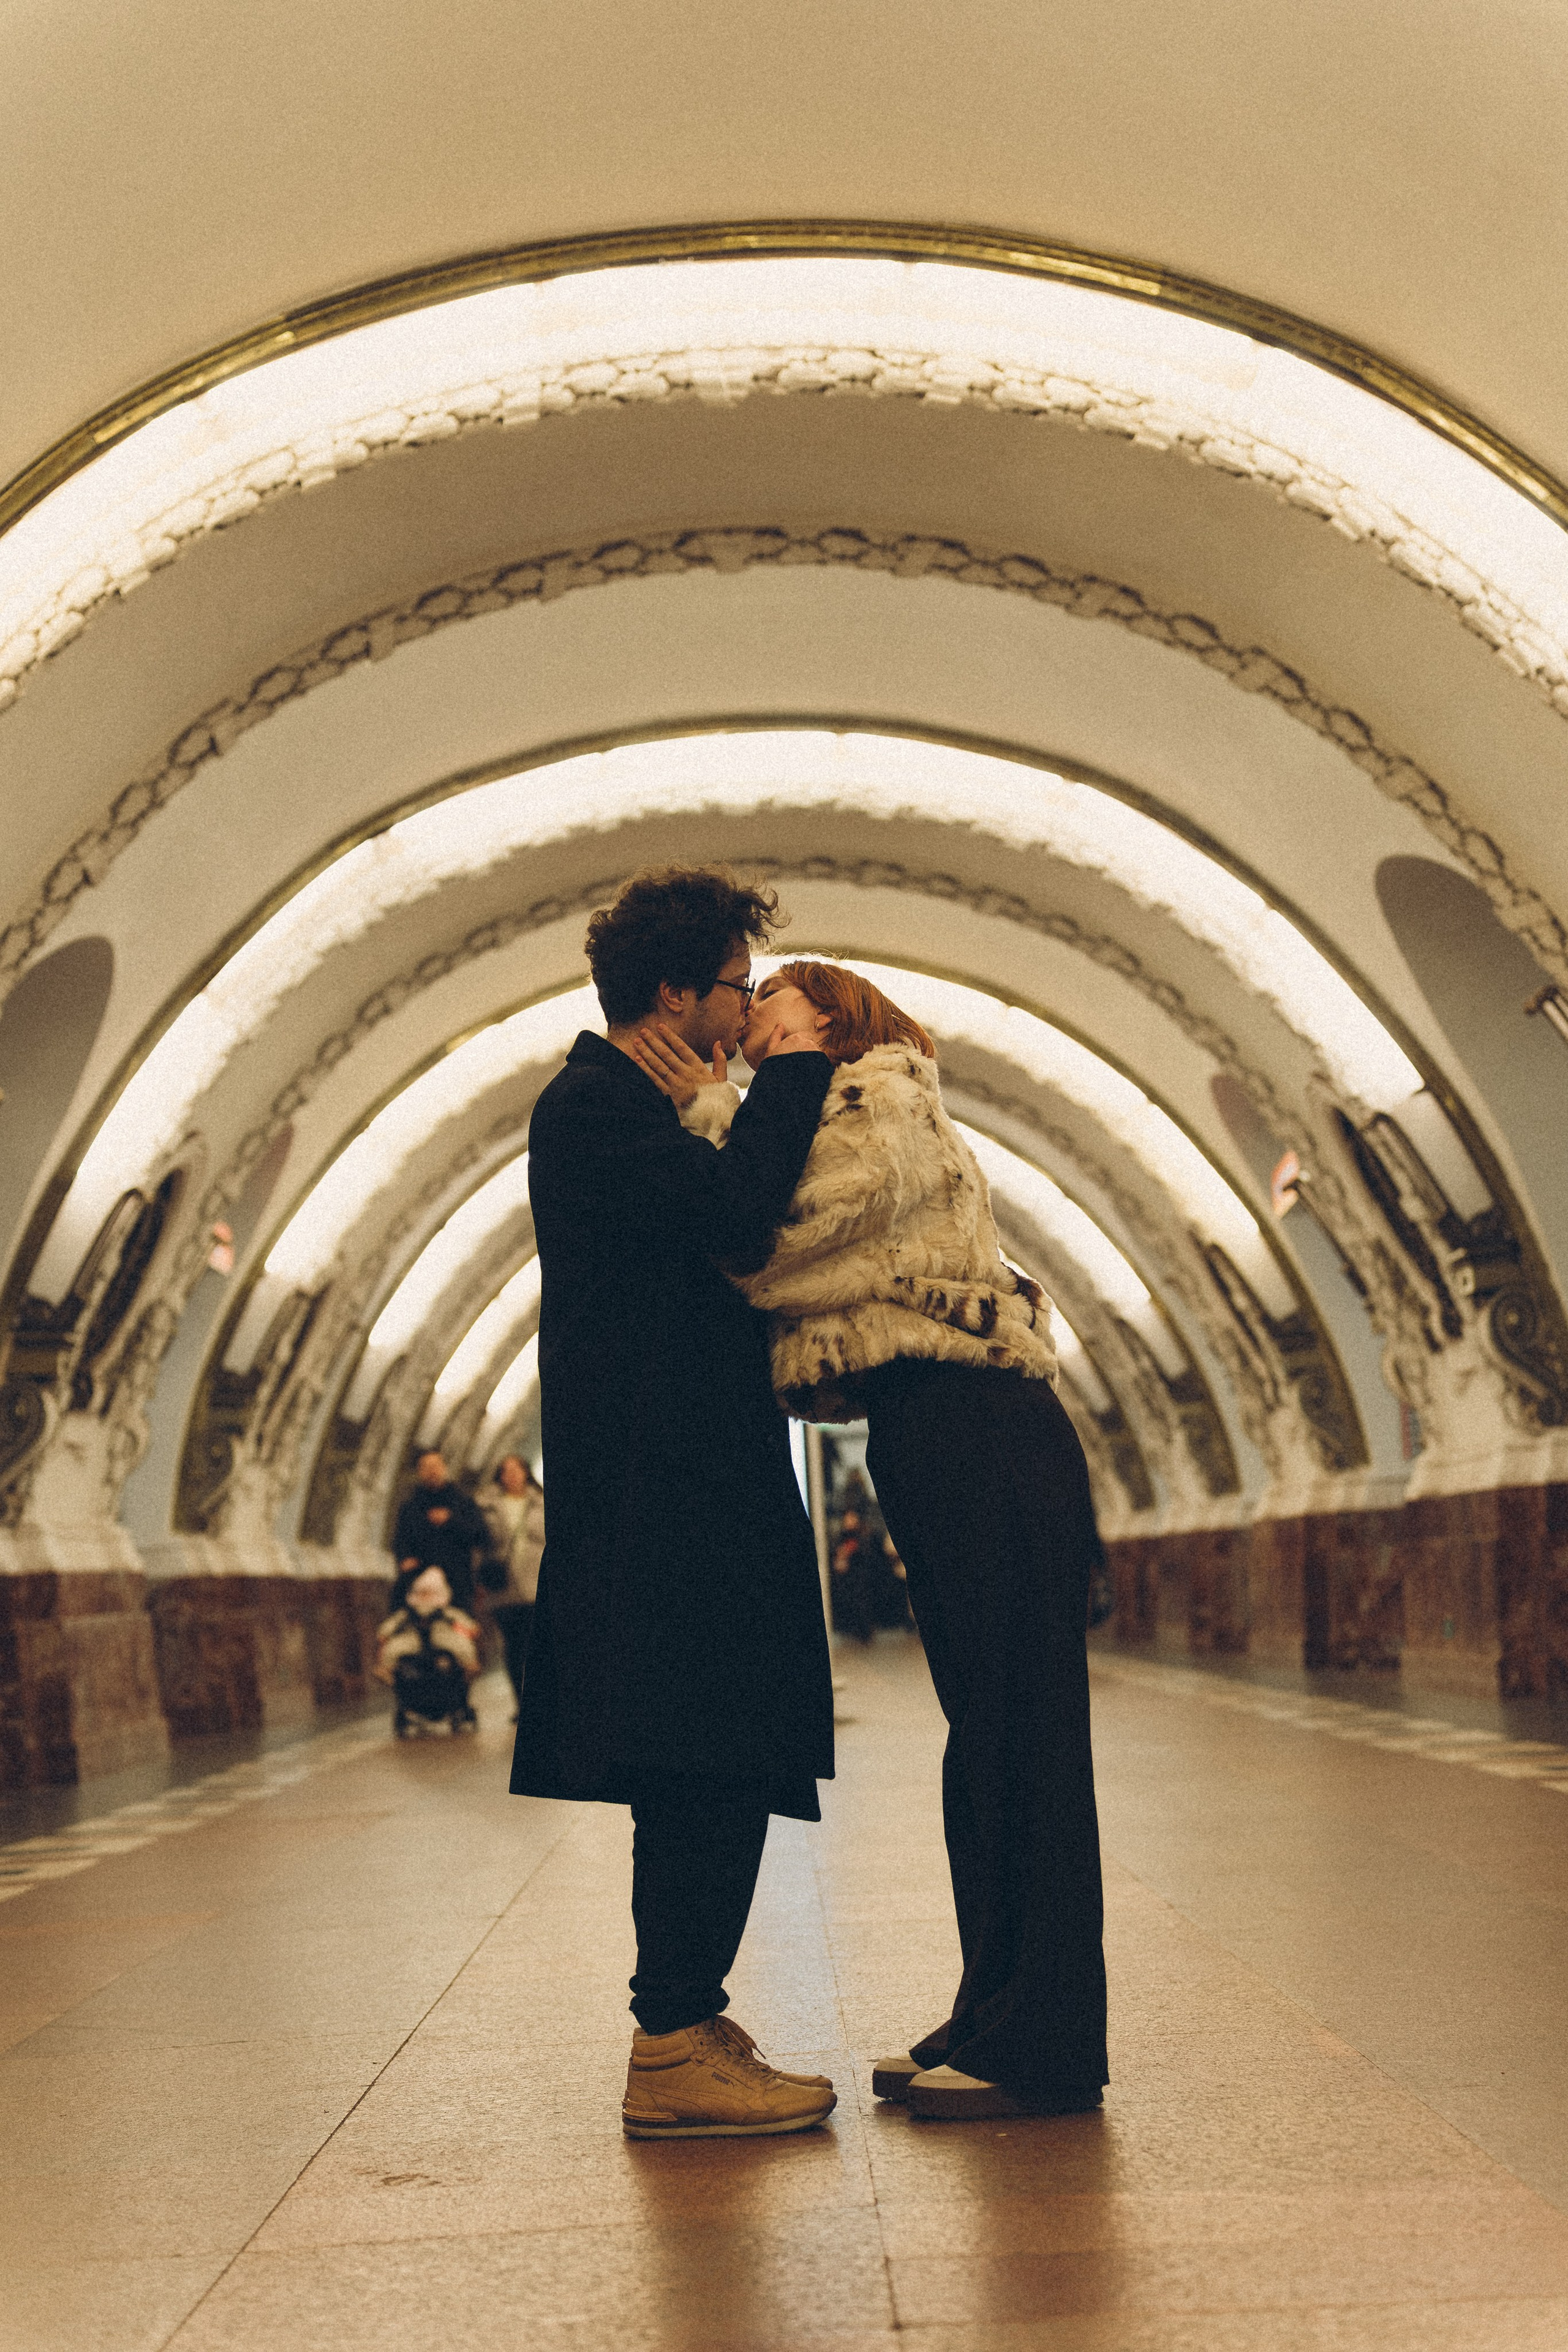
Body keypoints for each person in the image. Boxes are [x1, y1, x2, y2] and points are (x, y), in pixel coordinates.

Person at [633, 959, 1108, 2124]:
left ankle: (1042, 2045)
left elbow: (776, 1250)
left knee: (1021, 1738)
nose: (749, 1028)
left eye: (773, 1008)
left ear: (831, 1020)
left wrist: (703, 1128)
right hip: (940, 1426)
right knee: (985, 1737)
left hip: (981, 1426)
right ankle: (994, 2008)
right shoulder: (854, 1108)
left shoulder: (876, 1098)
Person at [510, 866, 840, 2139]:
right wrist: (795, 1072)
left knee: (719, 1752)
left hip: (691, 1486)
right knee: (695, 1753)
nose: (745, 1013)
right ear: (671, 989)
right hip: (664, 1499)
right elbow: (738, 1221)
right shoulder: (592, 1109)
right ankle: (670, 2035)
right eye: (735, 991)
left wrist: (731, 1100)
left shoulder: (643, 1109)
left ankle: (688, 2021)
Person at [374, 1564, 481, 1736]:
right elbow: (390, 1627)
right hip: (412, 1640)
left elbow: (466, 1625)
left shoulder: (447, 1613)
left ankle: (469, 1666)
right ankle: (386, 1669)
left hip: (443, 1637)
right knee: (394, 1648)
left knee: (461, 1645)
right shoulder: (407, 1615)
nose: (425, 1597)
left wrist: (470, 1628)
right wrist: (385, 1633)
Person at [479, 1453, 545, 1717]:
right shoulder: (486, 1505)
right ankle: (522, 1703)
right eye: (505, 1471)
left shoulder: (540, 1502)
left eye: (516, 1470)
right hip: (503, 1586)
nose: (512, 1475)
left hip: (535, 1581)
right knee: (514, 1646)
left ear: (526, 1473)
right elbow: (480, 1544)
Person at [391, 1449, 489, 1611]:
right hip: (419, 1582)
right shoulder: (410, 1507)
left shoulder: (463, 1502)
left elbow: (482, 1536)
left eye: (436, 1466)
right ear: (419, 1472)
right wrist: (405, 1559)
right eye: (426, 1467)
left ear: (444, 1468)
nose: (432, 1471)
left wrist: (451, 1521)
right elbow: (400, 1540)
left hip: (457, 1581)